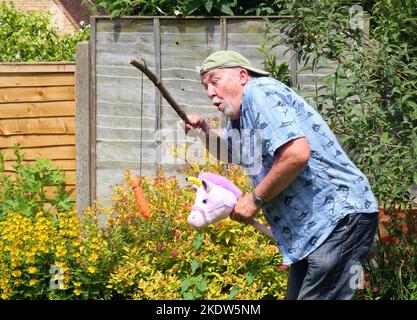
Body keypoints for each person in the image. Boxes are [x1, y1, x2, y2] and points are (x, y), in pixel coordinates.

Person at [185, 50, 379, 300]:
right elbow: (230, 152)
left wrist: (255, 199)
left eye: (215, 81)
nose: (210, 92)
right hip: (315, 231)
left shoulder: (260, 93)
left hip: (339, 219)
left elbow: (296, 155)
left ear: (242, 76)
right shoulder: (239, 116)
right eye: (206, 87)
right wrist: (204, 131)